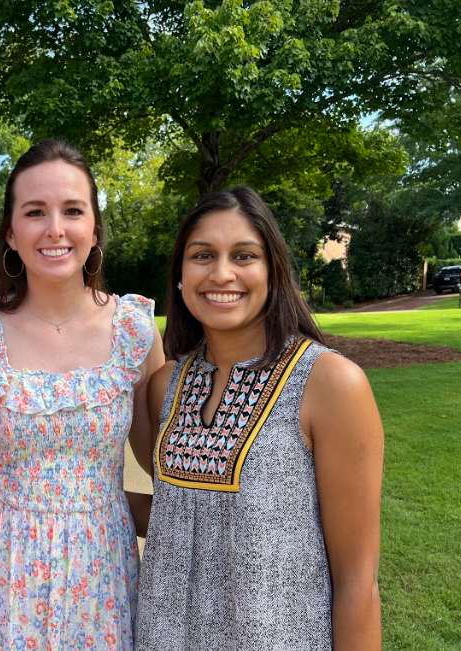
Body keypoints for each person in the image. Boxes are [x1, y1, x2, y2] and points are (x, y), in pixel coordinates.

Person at [133, 187, 384, 651]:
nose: (221, 273)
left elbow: (357, 582)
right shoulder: (165, 387)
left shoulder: (330, 384)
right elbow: (179, 512)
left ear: (273, 271)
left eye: (244, 255)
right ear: (180, 276)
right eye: (202, 254)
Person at [0, 140, 164, 650]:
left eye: (72, 210)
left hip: (104, 572)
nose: (55, 229)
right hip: (5, 573)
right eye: (35, 212)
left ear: (94, 228)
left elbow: (161, 463)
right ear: (11, 232)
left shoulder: (134, 329)